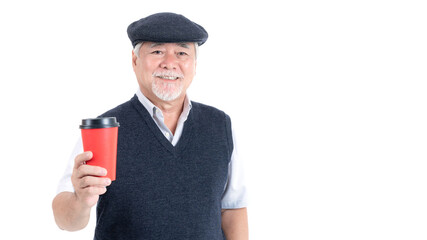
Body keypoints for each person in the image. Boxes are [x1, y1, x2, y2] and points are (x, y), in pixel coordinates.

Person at [52, 12, 248, 240]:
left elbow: (233, 209)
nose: (170, 63)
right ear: (135, 61)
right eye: (157, 51)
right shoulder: (105, 130)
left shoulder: (219, 125)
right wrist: (80, 200)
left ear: (194, 64)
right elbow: (64, 220)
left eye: (182, 53)